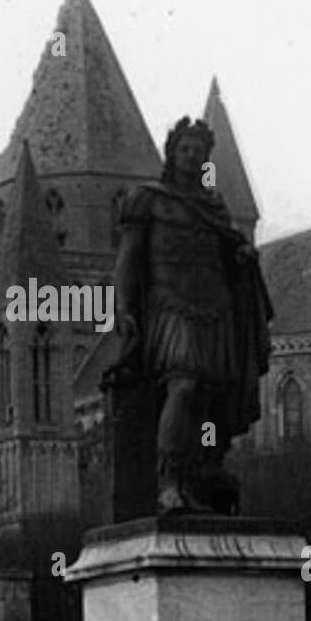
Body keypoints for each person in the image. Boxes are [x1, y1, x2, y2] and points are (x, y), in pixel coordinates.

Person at [111, 116, 272, 512]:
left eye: (198, 151)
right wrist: (122, 308)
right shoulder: (147, 199)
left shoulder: (213, 207)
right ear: (172, 152)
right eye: (185, 148)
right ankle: (167, 482)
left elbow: (227, 257)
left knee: (214, 400)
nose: (191, 156)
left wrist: (241, 257)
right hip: (170, 307)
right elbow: (128, 260)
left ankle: (200, 477)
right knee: (183, 387)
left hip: (215, 310)